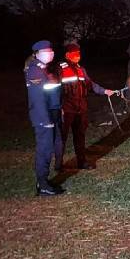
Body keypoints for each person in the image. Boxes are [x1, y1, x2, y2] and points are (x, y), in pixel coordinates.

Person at [59, 42, 114, 170]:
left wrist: (105, 91)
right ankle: (59, 163)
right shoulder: (60, 69)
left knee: (80, 136)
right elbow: (55, 90)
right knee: (61, 137)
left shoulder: (81, 69)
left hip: (80, 108)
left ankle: (81, 162)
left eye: (79, 54)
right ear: (67, 55)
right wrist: (58, 107)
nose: (78, 56)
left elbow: (91, 85)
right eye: (74, 54)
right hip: (66, 108)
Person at [24, 40, 65, 196]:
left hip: (51, 114)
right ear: (37, 53)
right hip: (43, 118)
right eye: (47, 51)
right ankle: (42, 185)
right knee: (45, 150)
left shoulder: (45, 69)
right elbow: (38, 99)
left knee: (50, 147)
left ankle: (44, 181)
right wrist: (46, 121)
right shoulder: (35, 71)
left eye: (51, 50)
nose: (50, 53)